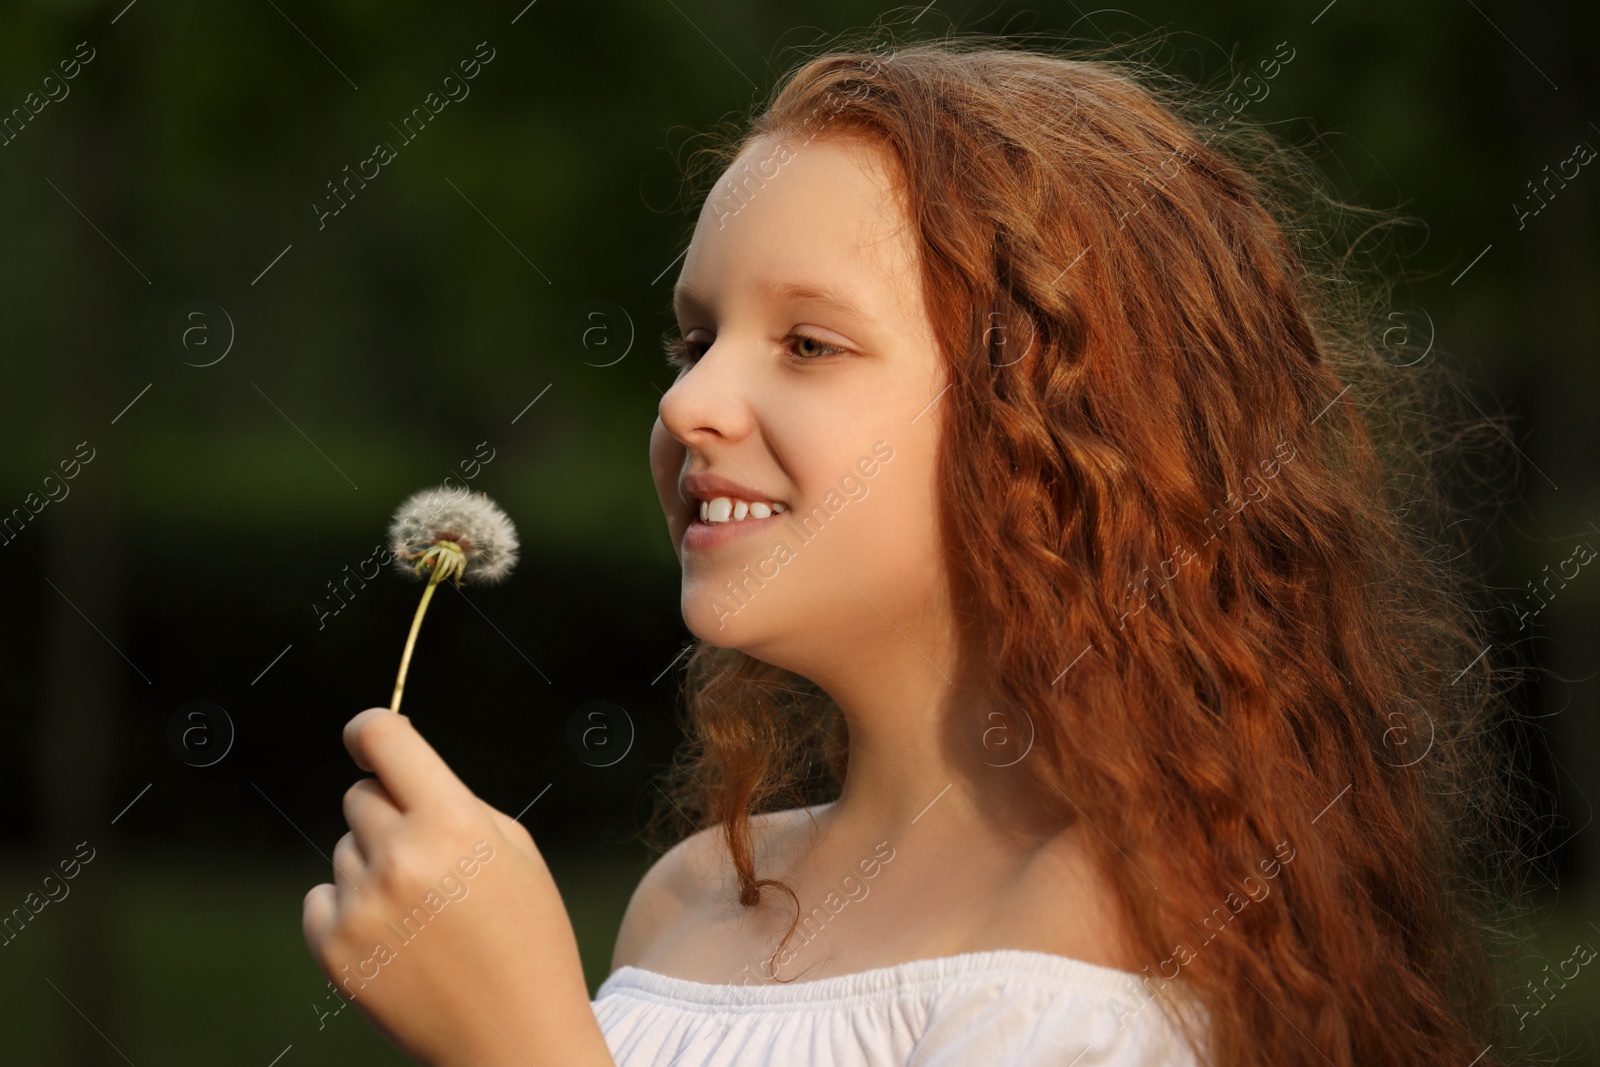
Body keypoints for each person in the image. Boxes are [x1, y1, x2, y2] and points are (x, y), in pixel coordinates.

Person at [303, 31, 1534, 1067]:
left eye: (808, 345)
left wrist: (523, 1043)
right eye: (693, 342)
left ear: (1053, 428)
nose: (685, 406)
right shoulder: (687, 899)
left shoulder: (1124, 950)